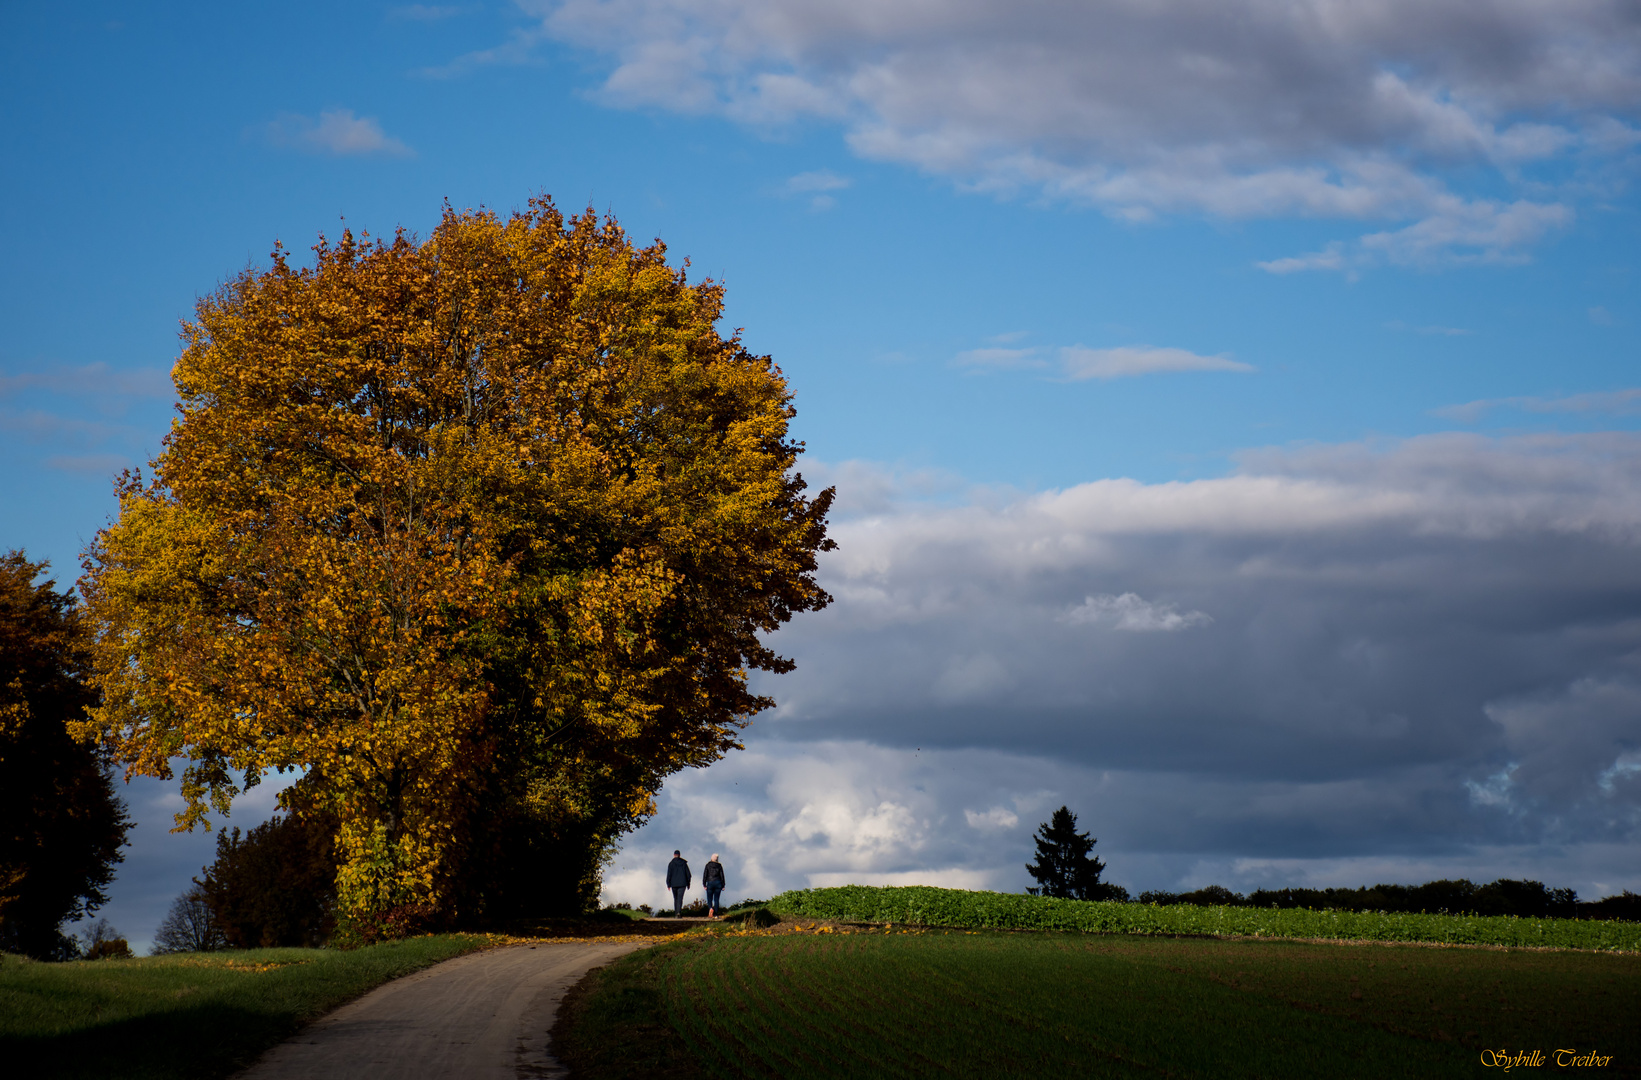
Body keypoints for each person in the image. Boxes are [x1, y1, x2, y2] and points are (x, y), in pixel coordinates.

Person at [665, 850, 691, 915]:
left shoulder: (671, 864)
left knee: (675, 898)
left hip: (674, 884)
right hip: (682, 883)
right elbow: (688, 875)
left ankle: (676, 912)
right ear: (680, 855)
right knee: (680, 898)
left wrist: (668, 884)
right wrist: (688, 883)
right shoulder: (684, 863)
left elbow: (669, 875)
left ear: (674, 855)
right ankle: (679, 912)